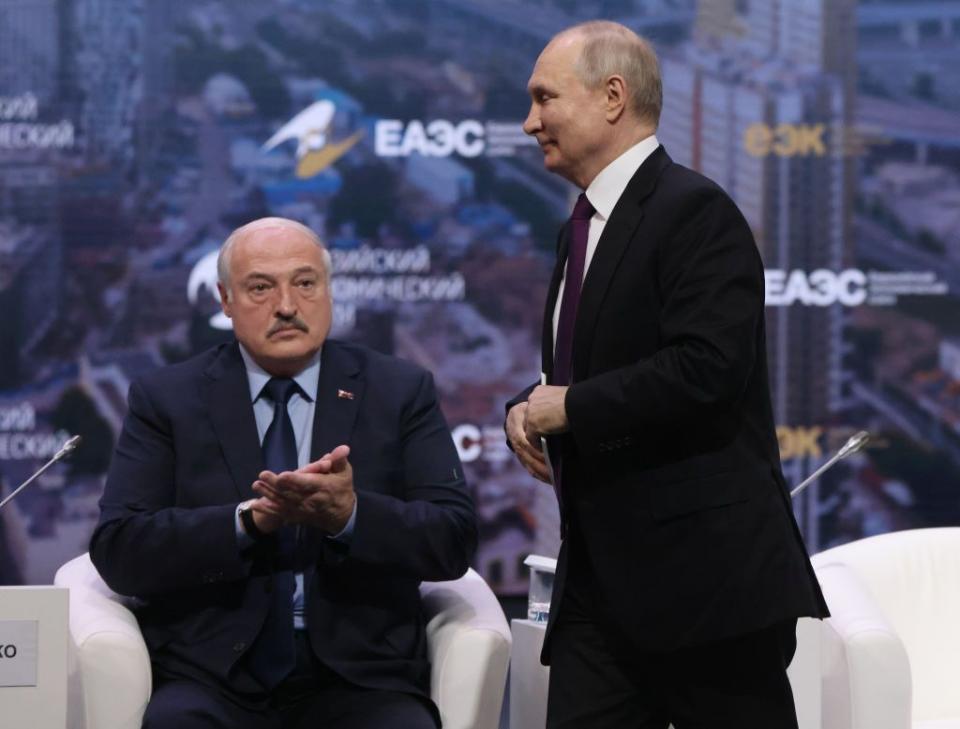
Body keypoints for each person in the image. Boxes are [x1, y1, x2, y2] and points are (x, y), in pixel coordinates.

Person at [505, 21, 829, 729]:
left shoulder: (693, 210)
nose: (529, 122)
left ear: (612, 96)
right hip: (597, 585)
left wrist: (571, 409)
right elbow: (575, 365)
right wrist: (523, 408)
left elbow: (707, 367)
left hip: (706, 586)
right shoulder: (581, 225)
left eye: (544, 98)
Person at [91, 217, 476, 729]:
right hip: (213, 674)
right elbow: (120, 549)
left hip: (361, 675)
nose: (288, 306)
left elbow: (453, 539)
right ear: (224, 302)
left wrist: (350, 514)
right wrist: (247, 523)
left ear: (329, 292)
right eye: (260, 288)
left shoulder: (400, 391)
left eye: (305, 283)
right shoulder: (167, 399)